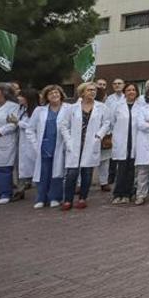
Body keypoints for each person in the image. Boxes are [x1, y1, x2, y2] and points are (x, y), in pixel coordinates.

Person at [59, 82, 111, 210]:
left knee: (87, 173)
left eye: (94, 90)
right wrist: (68, 140)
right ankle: (67, 200)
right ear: (82, 92)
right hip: (75, 143)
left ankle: (83, 198)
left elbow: (107, 123)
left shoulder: (102, 107)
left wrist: (99, 136)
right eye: (89, 90)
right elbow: (63, 125)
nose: (92, 92)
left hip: (91, 143)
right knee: (72, 174)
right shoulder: (72, 108)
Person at [29, 85, 67, 209]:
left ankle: (55, 198)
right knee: (43, 173)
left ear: (61, 95)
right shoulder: (39, 111)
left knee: (57, 173)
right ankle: (41, 198)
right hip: (44, 146)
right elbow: (30, 129)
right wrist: (35, 145)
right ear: (46, 97)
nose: (54, 95)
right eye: (51, 94)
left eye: (56, 93)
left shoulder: (69, 109)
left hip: (61, 146)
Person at [109, 82, 140, 204]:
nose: (131, 92)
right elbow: (111, 122)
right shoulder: (118, 106)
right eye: (128, 90)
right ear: (125, 92)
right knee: (121, 169)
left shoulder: (140, 106)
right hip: (121, 141)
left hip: (135, 141)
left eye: (133, 90)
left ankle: (128, 194)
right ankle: (117, 194)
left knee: (131, 169)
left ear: (136, 92)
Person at [10, 87, 40, 201]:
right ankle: (20, 190)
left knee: (35, 167)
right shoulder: (21, 109)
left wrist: (18, 122)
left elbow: (34, 126)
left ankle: (40, 191)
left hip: (32, 143)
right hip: (22, 143)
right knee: (20, 167)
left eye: (21, 96)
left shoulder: (37, 110)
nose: (18, 98)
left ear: (28, 98)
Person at [95, 78, 113, 192]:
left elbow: (108, 122)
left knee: (104, 161)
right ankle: (79, 183)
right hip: (87, 136)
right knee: (85, 162)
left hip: (104, 136)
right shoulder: (81, 104)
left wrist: (105, 134)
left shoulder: (105, 107)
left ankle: (104, 182)